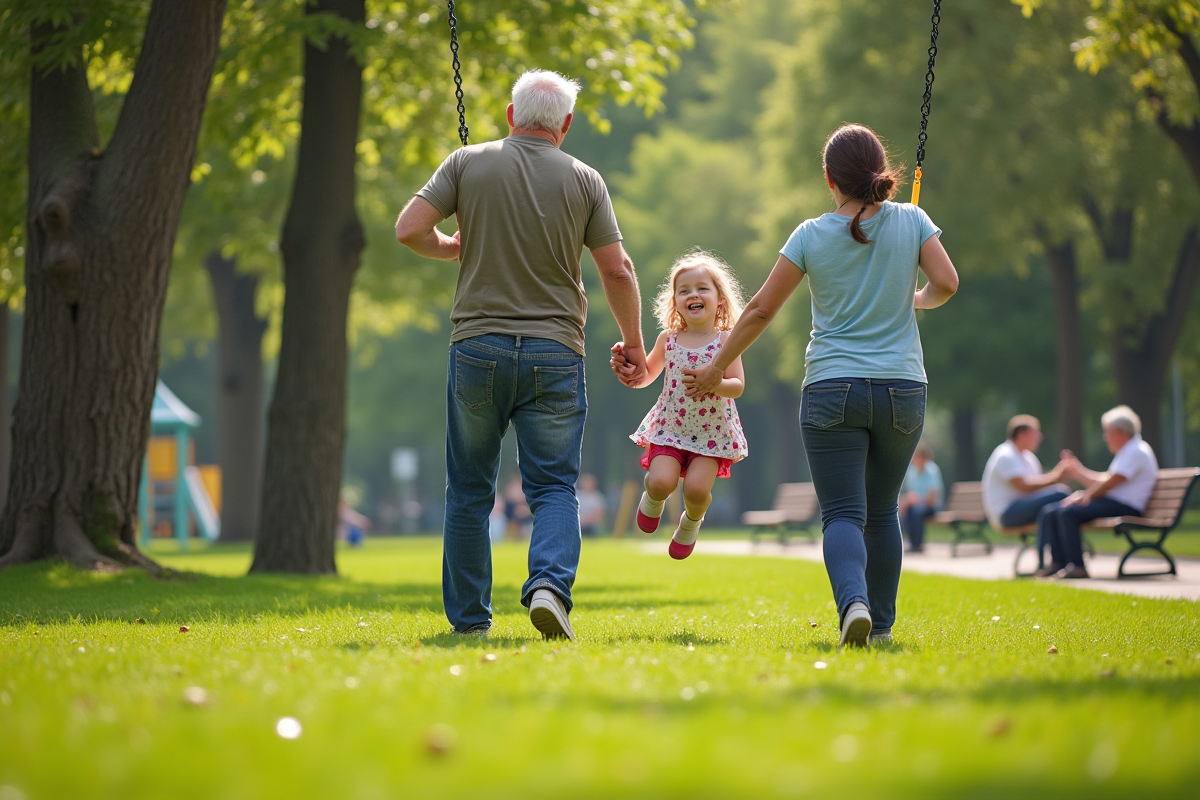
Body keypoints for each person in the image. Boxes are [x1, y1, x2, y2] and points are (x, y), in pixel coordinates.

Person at [673, 123, 958, 647]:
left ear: (829, 178)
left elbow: (759, 309)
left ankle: (853, 605)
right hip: (901, 389)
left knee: (844, 512)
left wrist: (718, 367)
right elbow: (946, 284)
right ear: (880, 172)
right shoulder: (913, 221)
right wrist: (912, 299)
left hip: (832, 387)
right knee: (883, 509)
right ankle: (883, 626)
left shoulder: (809, 234)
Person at [395, 69, 647, 641]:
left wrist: (451, 246)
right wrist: (634, 345)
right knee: (555, 487)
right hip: (556, 351)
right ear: (567, 125)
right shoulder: (586, 179)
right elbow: (617, 270)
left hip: (477, 347)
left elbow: (409, 230)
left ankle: (469, 621)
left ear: (512, 116)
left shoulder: (467, 162)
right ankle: (549, 588)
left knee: (468, 490)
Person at [612, 250, 748, 559]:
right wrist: (631, 369)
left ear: (719, 299)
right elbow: (647, 375)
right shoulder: (668, 340)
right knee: (661, 482)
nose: (693, 294)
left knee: (697, 492)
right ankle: (653, 499)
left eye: (702, 288)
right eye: (683, 290)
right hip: (670, 428)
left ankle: (691, 522)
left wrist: (717, 382)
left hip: (711, 434)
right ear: (675, 302)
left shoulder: (727, 341)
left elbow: (738, 386)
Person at [1035, 405, 1159, 579]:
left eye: (1107, 432)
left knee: (1068, 512)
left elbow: (1109, 484)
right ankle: (1058, 564)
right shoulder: (1129, 450)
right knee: (1052, 511)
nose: (1105, 437)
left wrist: (1085, 496)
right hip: (1115, 503)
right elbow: (1106, 480)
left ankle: (1077, 566)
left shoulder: (1135, 451)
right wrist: (1078, 471)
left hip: (1127, 507)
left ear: (1118, 432)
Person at [980, 414, 1071, 566]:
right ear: (1022, 434)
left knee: (1050, 508)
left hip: (1021, 508)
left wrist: (1057, 476)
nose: (1039, 437)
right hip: (1007, 513)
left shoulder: (1028, 458)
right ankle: (1052, 558)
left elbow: (1039, 489)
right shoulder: (1006, 454)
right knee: (1060, 494)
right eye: (1036, 432)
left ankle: (1054, 560)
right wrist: (1056, 477)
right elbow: (1023, 486)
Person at [898, 442, 943, 553]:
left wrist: (915, 500)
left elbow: (932, 499)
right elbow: (911, 493)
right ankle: (912, 543)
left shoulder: (932, 471)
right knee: (906, 510)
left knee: (916, 512)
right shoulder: (912, 472)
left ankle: (918, 545)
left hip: (931, 507)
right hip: (916, 505)